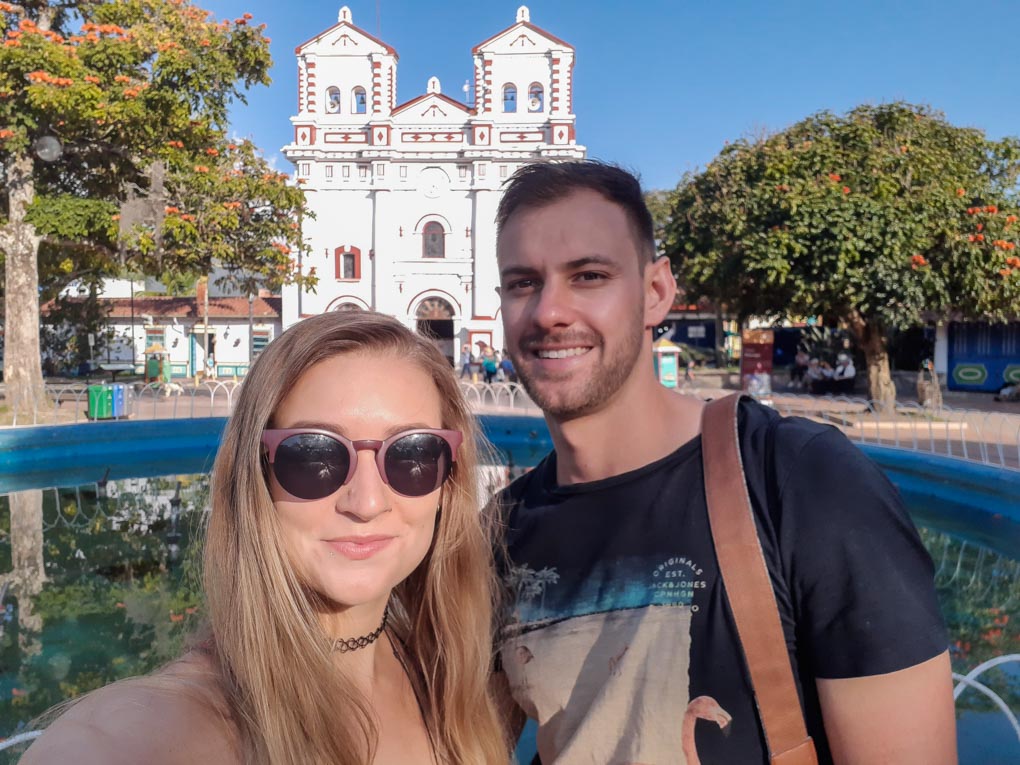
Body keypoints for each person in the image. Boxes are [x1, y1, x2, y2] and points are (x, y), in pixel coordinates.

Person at [492, 160, 954, 765]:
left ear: (656, 292)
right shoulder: (498, 535)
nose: (550, 311)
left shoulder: (798, 481)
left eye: (589, 276)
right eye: (523, 283)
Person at [22, 311, 509, 765]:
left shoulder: (441, 679)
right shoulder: (151, 736)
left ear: (449, 482)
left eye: (412, 454)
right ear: (255, 475)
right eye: (313, 455)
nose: (366, 503)